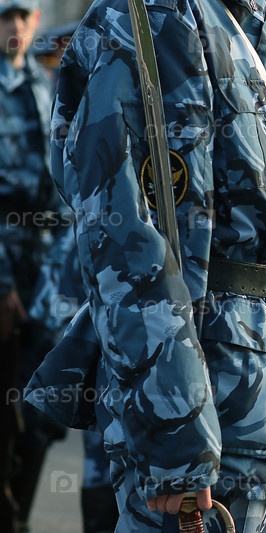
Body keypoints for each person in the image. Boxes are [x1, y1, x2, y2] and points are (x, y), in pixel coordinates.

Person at [28, 0, 266, 530]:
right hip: (209, 409)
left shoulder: (251, 23)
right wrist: (175, 431)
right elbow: (128, 251)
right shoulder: (148, 22)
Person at [0, 2, 68, 531]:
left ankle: (17, 517)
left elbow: (63, 193)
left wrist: (52, 280)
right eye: (6, 17)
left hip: (42, 272)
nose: (15, 27)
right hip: (4, 267)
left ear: (37, 19)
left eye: (23, 17)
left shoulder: (46, 89)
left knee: (39, 413)